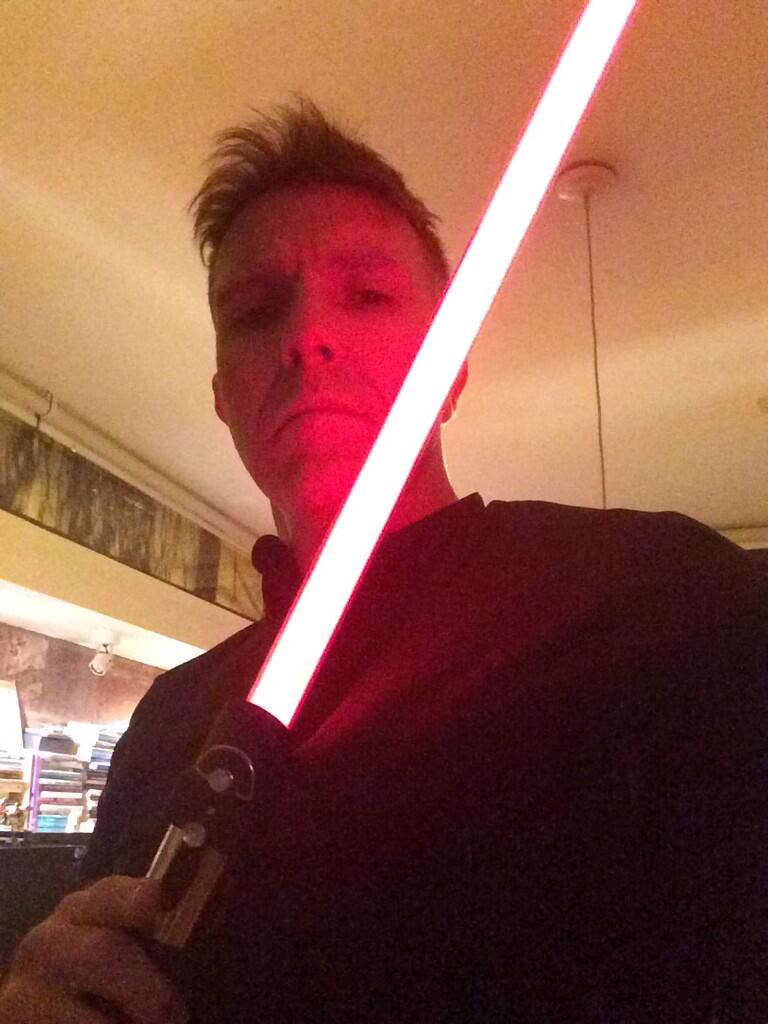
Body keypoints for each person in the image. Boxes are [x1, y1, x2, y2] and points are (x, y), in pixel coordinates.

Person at [2, 100, 765, 1023]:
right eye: (254, 310)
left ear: (451, 370)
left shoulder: (662, 598)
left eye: (366, 295)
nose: (304, 337)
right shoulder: (169, 722)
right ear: (223, 397)